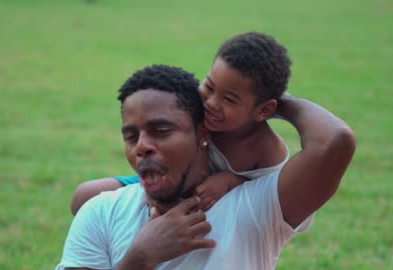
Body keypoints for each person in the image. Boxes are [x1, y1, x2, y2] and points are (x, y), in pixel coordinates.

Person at [52, 64, 355, 270]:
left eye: (161, 130)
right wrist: (141, 257)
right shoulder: (102, 211)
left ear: (202, 134)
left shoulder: (255, 206)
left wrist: (266, 100)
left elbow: (335, 142)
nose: (141, 147)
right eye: (131, 136)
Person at [70, 32, 295, 214]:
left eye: (229, 99)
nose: (211, 103)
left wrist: (232, 180)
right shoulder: (207, 111)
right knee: (85, 195)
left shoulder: (265, 148)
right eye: (209, 86)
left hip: (198, 190)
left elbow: (273, 189)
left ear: (264, 110)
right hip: (166, 173)